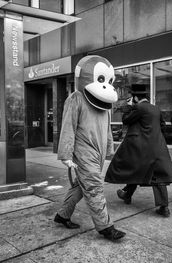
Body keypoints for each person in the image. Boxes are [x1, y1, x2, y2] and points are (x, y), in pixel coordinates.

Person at [54, 55, 126, 241]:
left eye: (108, 80)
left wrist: (109, 149)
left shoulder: (105, 103)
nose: (106, 85)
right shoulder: (76, 98)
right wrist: (66, 154)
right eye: (101, 79)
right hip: (84, 151)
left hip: (99, 152)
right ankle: (105, 227)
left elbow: (107, 128)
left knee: (81, 185)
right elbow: (68, 127)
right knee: (93, 186)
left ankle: (62, 215)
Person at [105, 84, 172, 217]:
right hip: (158, 146)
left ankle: (127, 194)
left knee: (136, 167)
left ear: (136, 98)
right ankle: (162, 207)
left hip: (143, 147)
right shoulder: (155, 108)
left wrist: (127, 109)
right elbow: (162, 126)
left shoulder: (138, 107)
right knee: (156, 175)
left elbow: (126, 120)